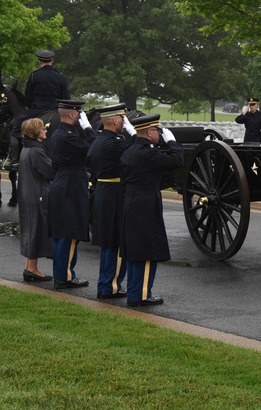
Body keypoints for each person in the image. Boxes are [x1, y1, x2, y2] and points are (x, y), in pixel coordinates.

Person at [120, 114, 184, 306]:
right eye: (157, 131)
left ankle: (134, 291)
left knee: (135, 250)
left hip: (131, 200)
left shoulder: (130, 150)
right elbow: (176, 161)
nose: (159, 133)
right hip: (145, 202)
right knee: (147, 251)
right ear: (149, 132)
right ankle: (142, 295)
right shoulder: (147, 153)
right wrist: (173, 142)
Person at [48, 99, 97, 289]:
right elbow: (94, 150)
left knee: (63, 234)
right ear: (71, 114)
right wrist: (89, 130)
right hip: (70, 186)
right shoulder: (68, 136)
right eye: (79, 114)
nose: (80, 117)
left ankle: (63, 274)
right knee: (69, 234)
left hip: (62, 183)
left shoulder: (57, 134)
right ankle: (65, 277)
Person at [87, 103, 134, 298]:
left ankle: (106, 283)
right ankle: (110, 286)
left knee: (108, 242)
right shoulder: (115, 143)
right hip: (114, 193)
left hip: (103, 191)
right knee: (115, 242)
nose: (124, 123)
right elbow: (134, 153)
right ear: (115, 120)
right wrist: (133, 133)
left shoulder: (99, 140)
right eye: (123, 119)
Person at [8, 49, 70, 167]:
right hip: (55, 110)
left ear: (39, 61)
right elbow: (65, 97)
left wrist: (31, 106)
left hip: (37, 109)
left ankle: (14, 160)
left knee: (15, 131)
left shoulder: (34, 76)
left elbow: (28, 98)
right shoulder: (60, 77)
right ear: (52, 61)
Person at [17, 118, 53, 282]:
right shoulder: (37, 151)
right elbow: (49, 172)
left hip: (28, 194)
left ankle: (29, 266)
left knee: (29, 230)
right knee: (35, 231)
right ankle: (32, 269)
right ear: (35, 132)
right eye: (42, 129)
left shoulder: (26, 149)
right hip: (37, 194)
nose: (45, 130)